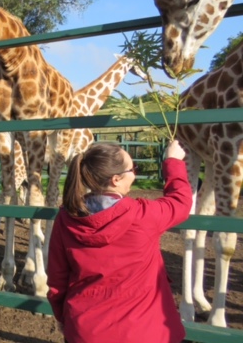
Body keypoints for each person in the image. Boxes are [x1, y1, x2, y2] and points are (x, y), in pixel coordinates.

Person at [47, 139, 191, 343]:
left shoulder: (66, 218)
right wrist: (173, 161)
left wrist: (63, 317)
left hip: (85, 331)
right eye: (134, 168)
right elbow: (180, 202)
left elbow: (57, 278)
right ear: (116, 179)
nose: (135, 173)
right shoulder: (142, 215)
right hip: (143, 333)